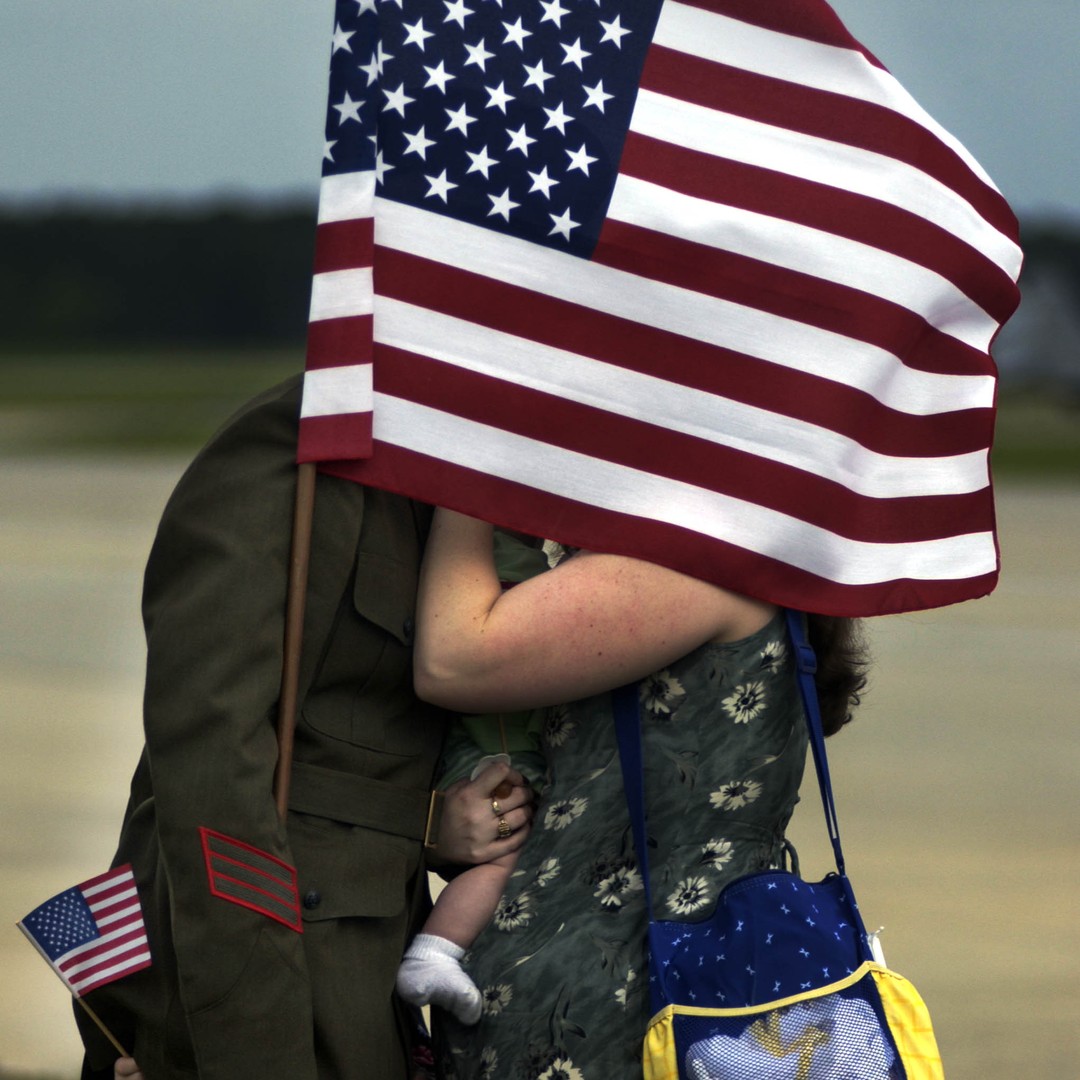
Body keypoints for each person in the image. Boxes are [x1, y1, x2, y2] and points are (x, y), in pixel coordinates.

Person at [74, 376, 534, 1080]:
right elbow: (210, 766)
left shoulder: (462, 465)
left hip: (375, 978)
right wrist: (249, 1046)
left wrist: (437, 819)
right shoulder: (295, 448)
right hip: (264, 982)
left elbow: (383, 744)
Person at [411, 509, 868, 1078]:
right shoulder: (746, 552)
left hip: (610, 1014)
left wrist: (461, 475)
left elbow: (453, 660)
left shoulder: (683, 557)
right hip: (673, 996)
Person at [395, 532, 549, 1025]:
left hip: (480, 748)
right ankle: (436, 951)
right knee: (506, 857)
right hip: (493, 755)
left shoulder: (464, 566)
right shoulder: (517, 577)